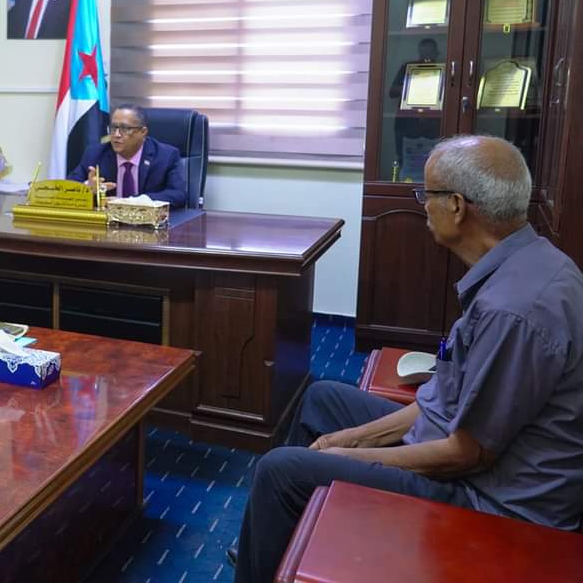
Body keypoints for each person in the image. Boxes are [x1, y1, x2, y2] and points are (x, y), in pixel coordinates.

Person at [233, 135, 583, 583]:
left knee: (280, 471)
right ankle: (280, 538)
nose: (423, 206)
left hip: (488, 497)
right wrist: (349, 440)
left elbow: (467, 455)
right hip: (458, 445)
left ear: (456, 206)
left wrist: (354, 456)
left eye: (426, 194)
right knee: (322, 399)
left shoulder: (514, 310)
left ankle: (271, 547)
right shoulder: (528, 263)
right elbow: (446, 398)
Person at [67, 103, 188, 208]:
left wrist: (132, 202)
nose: (116, 135)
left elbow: (178, 195)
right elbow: (67, 189)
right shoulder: (95, 154)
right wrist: (87, 189)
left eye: (125, 129)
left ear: (143, 132)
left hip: (147, 223)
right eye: (113, 128)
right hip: (108, 223)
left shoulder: (166, 156)